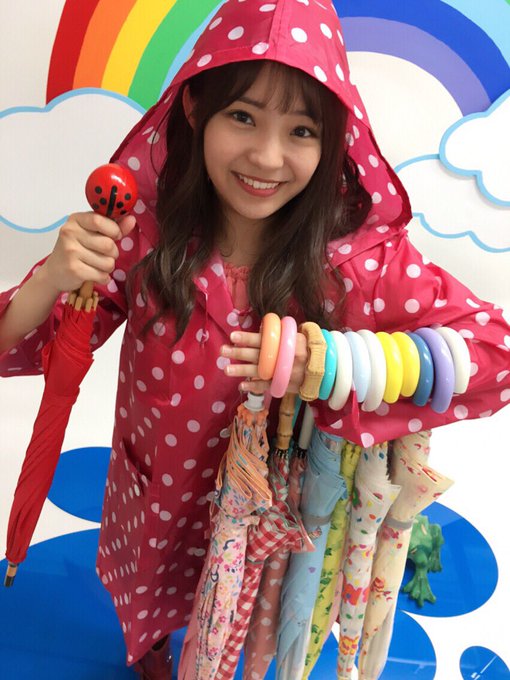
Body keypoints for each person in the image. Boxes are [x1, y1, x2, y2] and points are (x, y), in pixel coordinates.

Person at [1, 0, 509, 677]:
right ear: (194, 109)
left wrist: (334, 362)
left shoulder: (356, 263)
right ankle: (149, 649)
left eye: (301, 130)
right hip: (151, 503)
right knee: (145, 609)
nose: (267, 157)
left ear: (335, 141)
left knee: (240, 646)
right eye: (242, 116)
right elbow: (26, 342)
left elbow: (495, 353)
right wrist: (50, 280)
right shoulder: (143, 233)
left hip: (269, 530)